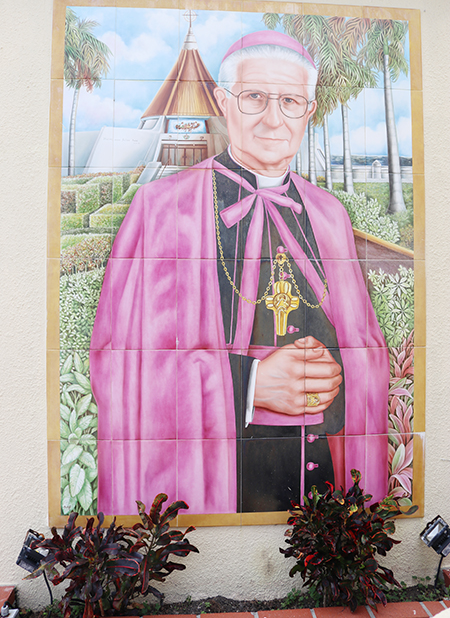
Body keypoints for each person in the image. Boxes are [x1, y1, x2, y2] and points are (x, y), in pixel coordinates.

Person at [90, 30, 389, 516]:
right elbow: (119, 365)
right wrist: (247, 385)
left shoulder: (329, 215)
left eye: (291, 101)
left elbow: (366, 352)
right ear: (224, 103)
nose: (274, 119)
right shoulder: (161, 209)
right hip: (216, 480)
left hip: (321, 482)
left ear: (308, 113)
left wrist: (337, 378)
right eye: (255, 98)